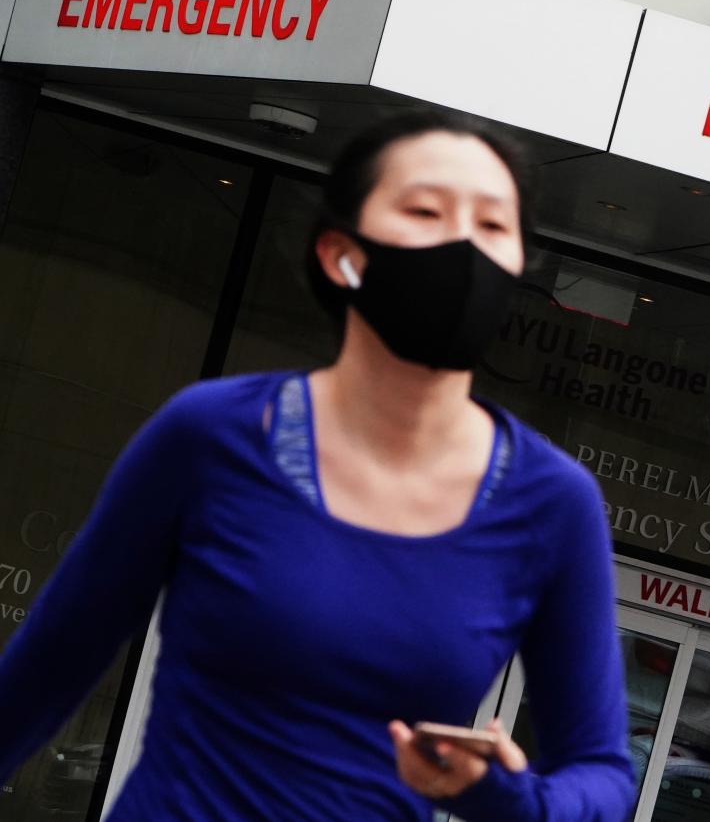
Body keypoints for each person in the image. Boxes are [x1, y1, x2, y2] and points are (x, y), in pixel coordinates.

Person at [0, 110, 637, 821]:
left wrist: (511, 797)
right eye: (426, 210)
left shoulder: (554, 503)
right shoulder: (212, 433)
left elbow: (604, 774)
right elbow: (46, 669)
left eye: (493, 225)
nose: (463, 246)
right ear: (343, 253)